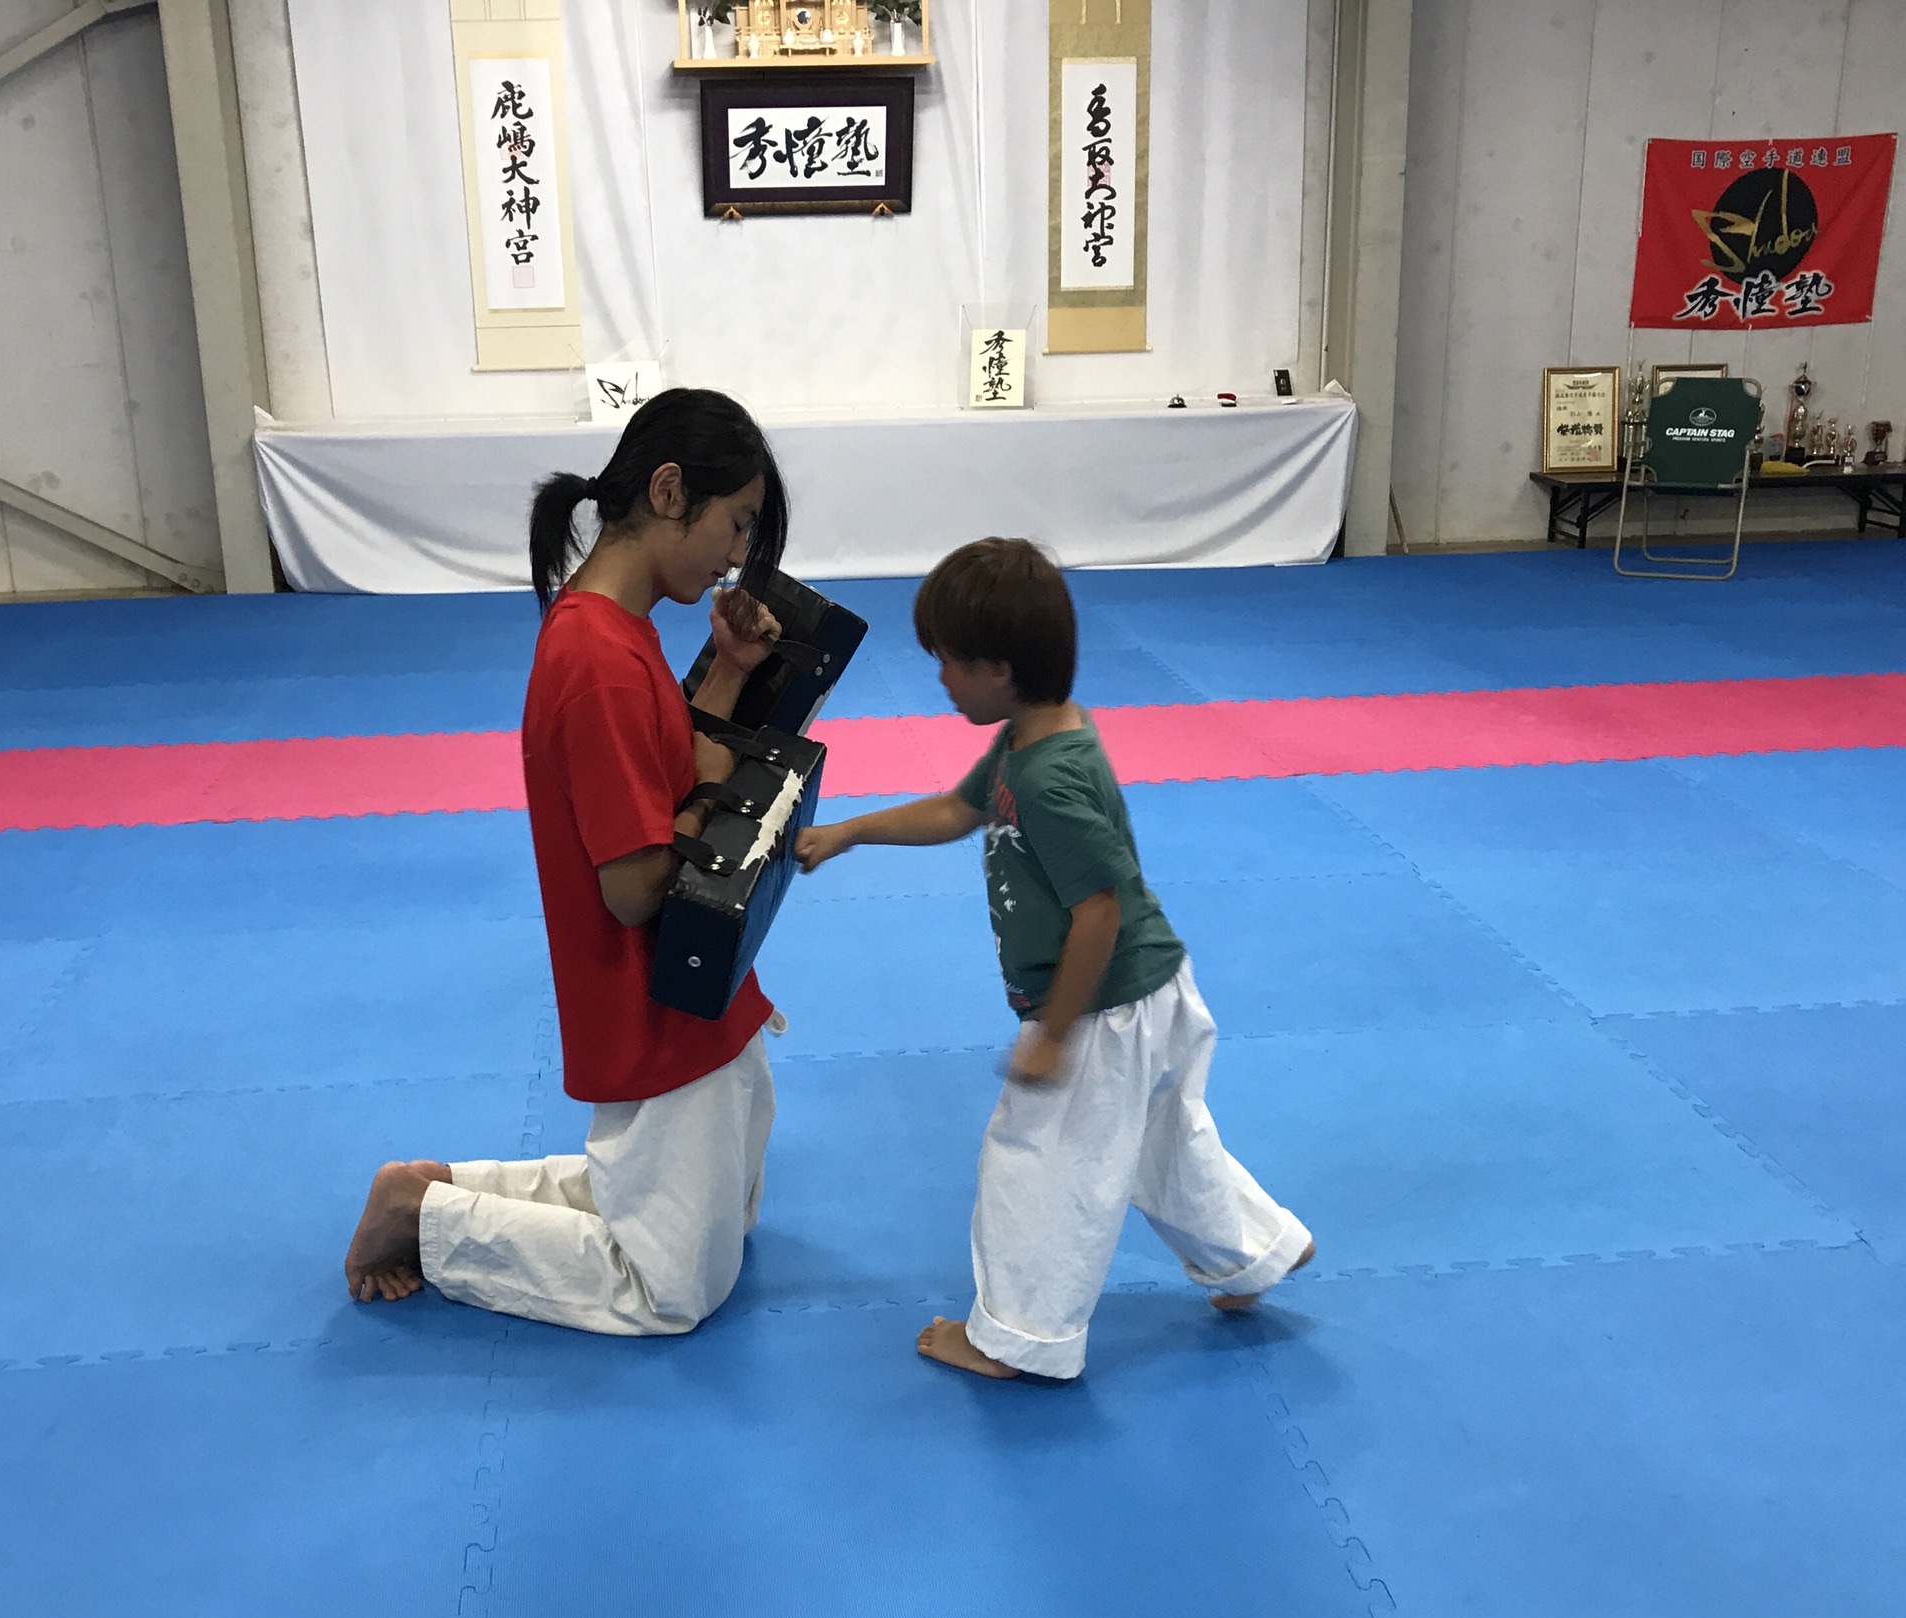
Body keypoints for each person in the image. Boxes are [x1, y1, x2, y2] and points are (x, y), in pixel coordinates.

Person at [794, 538, 1313, 1381]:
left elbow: (1098, 914)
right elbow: (956, 811)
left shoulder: (1046, 779)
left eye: (950, 662)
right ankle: (1253, 1254)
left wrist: (1056, 1034)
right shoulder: (1033, 737)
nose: (940, 679)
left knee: (1035, 1165)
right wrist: (850, 832)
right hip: (1150, 989)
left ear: (1000, 670)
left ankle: (1019, 1338)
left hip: (1102, 1007)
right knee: (1163, 1142)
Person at [343, 388, 790, 1335]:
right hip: (653, 994)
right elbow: (632, 890)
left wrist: (728, 673)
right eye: (737, 522)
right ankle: (425, 1220)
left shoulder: (620, 633)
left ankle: (436, 1188)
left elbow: (668, 770)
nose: (738, 554)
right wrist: (711, 795)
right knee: (669, 1290)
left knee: (724, 1216)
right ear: (669, 491)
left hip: (704, 989)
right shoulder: (595, 658)